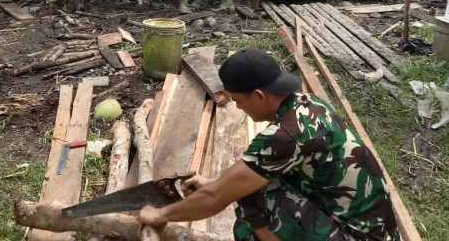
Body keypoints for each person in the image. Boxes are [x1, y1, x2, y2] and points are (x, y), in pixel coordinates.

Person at [137, 47, 398, 241]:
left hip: (357, 236)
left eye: (239, 101)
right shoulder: (309, 106)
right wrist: (215, 183)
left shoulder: (283, 136)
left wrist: (159, 215)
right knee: (249, 185)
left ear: (259, 96)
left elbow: (217, 199)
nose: (239, 108)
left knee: (253, 198)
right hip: (371, 230)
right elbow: (242, 179)